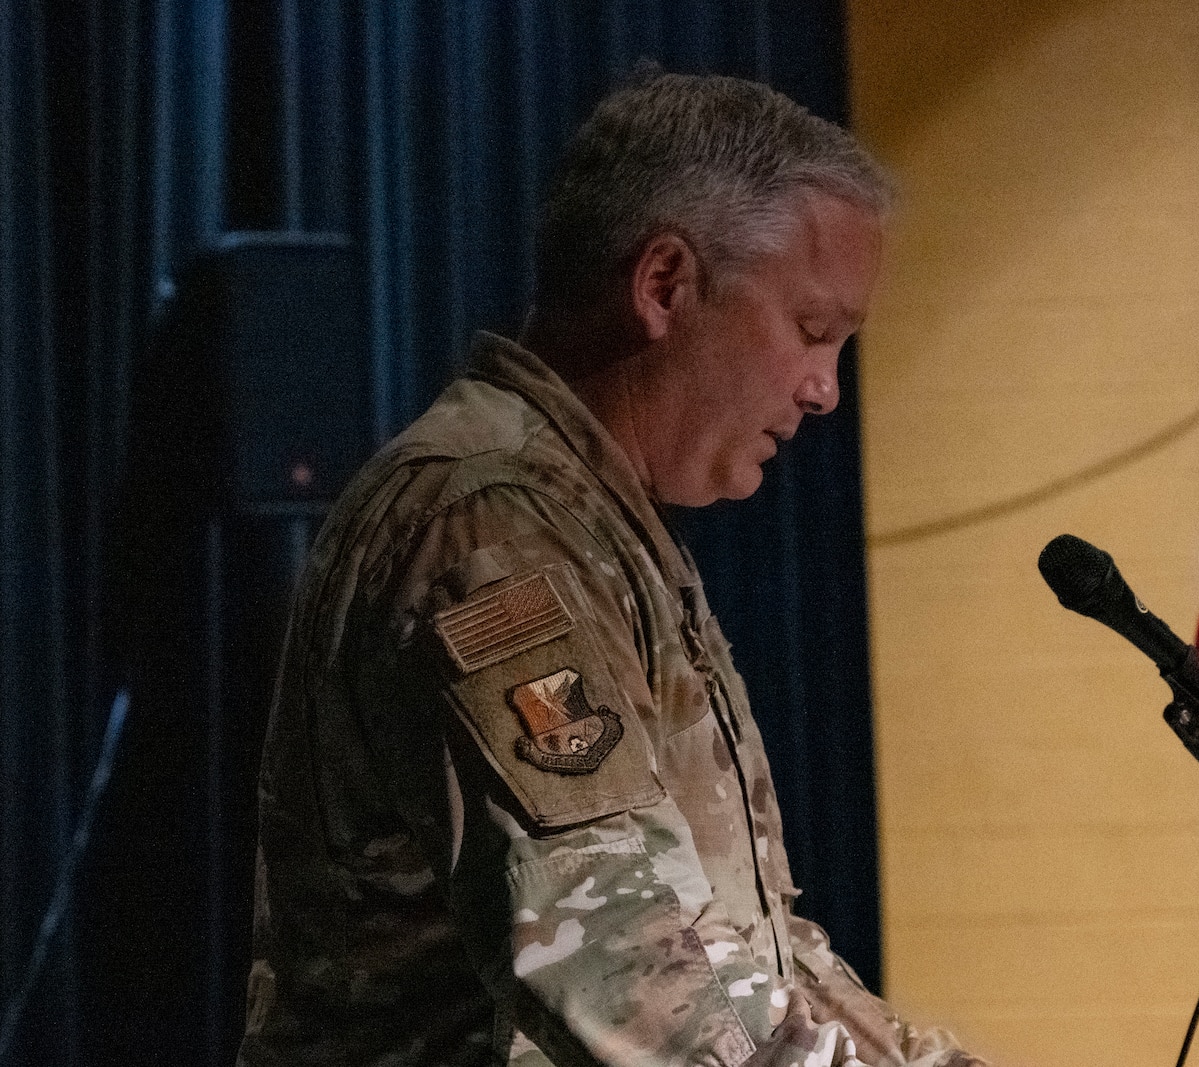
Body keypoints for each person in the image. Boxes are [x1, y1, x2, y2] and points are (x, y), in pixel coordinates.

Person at [237, 72, 987, 1067]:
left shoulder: (597, 522)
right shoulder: (488, 524)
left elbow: (749, 956)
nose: (823, 390)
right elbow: (626, 965)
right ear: (663, 285)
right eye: (812, 331)